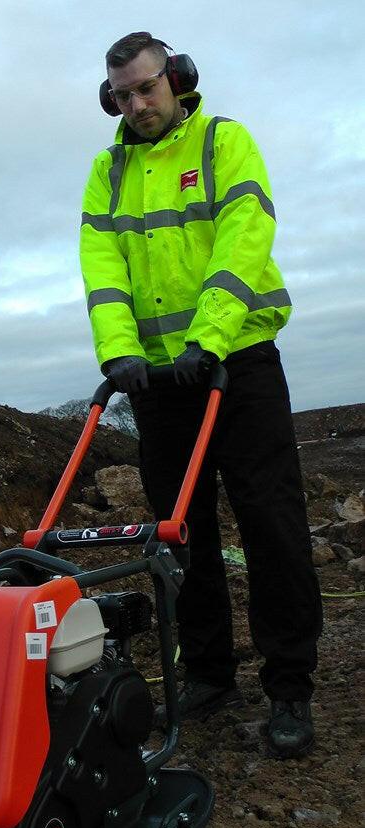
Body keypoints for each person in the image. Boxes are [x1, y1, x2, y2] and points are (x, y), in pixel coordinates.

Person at [80, 31, 323, 758]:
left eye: (147, 88)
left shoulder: (223, 142)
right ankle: (210, 673)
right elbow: (101, 263)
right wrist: (120, 352)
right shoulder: (107, 170)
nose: (137, 103)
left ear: (178, 79)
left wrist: (209, 338)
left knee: (269, 521)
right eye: (122, 95)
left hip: (234, 363)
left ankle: (289, 686)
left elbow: (244, 235)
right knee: (178, 535)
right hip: (156, 380)